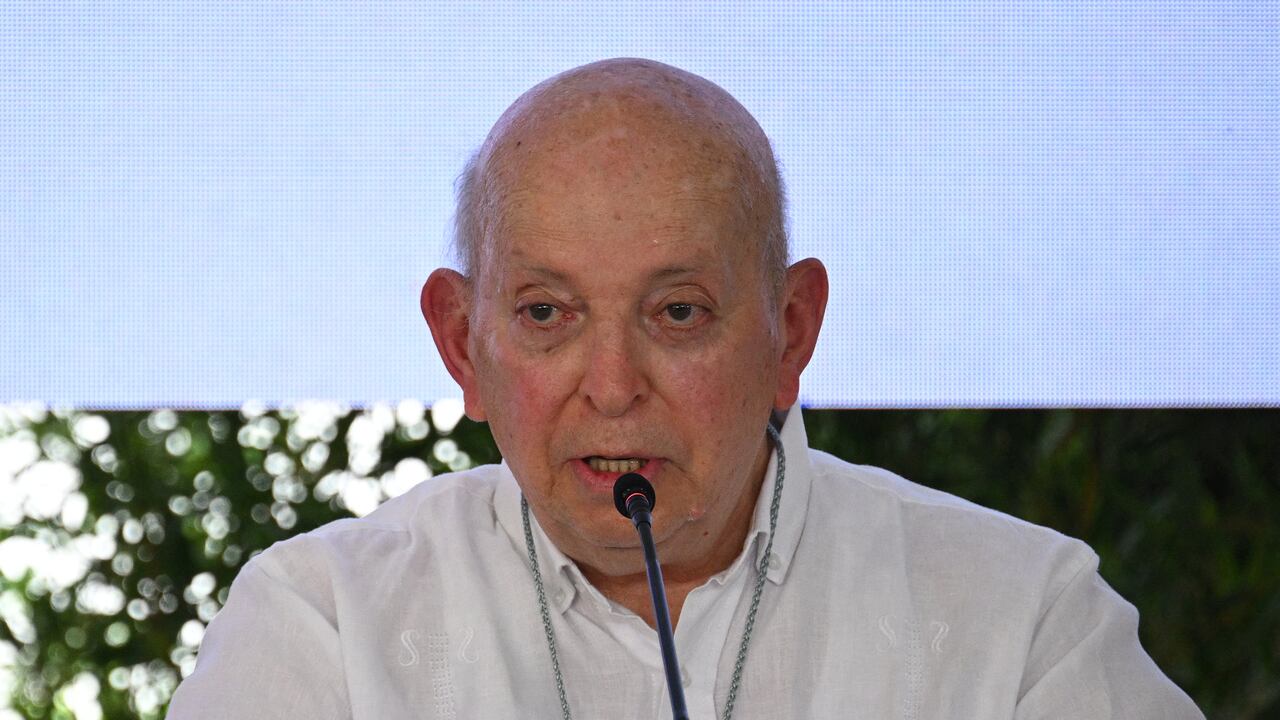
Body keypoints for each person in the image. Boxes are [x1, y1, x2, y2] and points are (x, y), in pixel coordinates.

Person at [167, 58, 1203, 718]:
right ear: (460, 345)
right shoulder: (323, 626)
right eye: (545, 314)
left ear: (788, 333)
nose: (611, 390)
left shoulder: (1015, 618)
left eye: (676, 314)